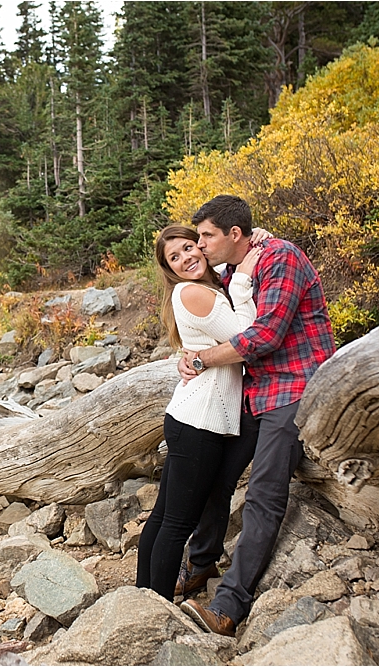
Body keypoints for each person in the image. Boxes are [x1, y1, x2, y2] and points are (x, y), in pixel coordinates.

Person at [174, 194, 336, 637]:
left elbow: (263, 336)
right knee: (216, 474)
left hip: (297, 387)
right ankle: (200, 564)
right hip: (257, 391)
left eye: (207, 236)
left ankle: (229, 606)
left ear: (234, 234)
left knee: (264, 493)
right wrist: (187, 355)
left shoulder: (281, 257)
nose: (200, 245)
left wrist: (204, 359)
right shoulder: (235, 268)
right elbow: (219, 315)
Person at [135, 224, 261, 600]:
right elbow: (248, 336)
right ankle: (155, 606)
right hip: (198, 424)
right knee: (177, 523)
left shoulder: (206, 286)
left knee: (163, 517)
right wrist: (242, 281)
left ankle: (143, 595)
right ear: (169, 269)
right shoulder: (194, 292)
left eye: (190, 247)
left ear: (202, 245)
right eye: (175, 257)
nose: (187, 258)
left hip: (188, 417)